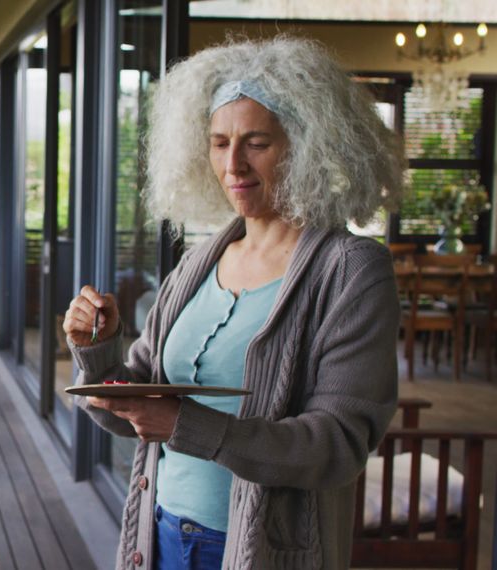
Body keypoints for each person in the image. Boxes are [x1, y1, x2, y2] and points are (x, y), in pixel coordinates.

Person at [63, 36, 405, 570]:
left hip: (259, 551)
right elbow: (136, 413)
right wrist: (100, 353)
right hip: (158, 532)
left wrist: (185, 425)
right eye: (219, 142)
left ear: (306, 144)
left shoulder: (351, 270)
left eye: (257, 142)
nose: (234, 165)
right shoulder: (200, 260)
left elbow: (338, 445)